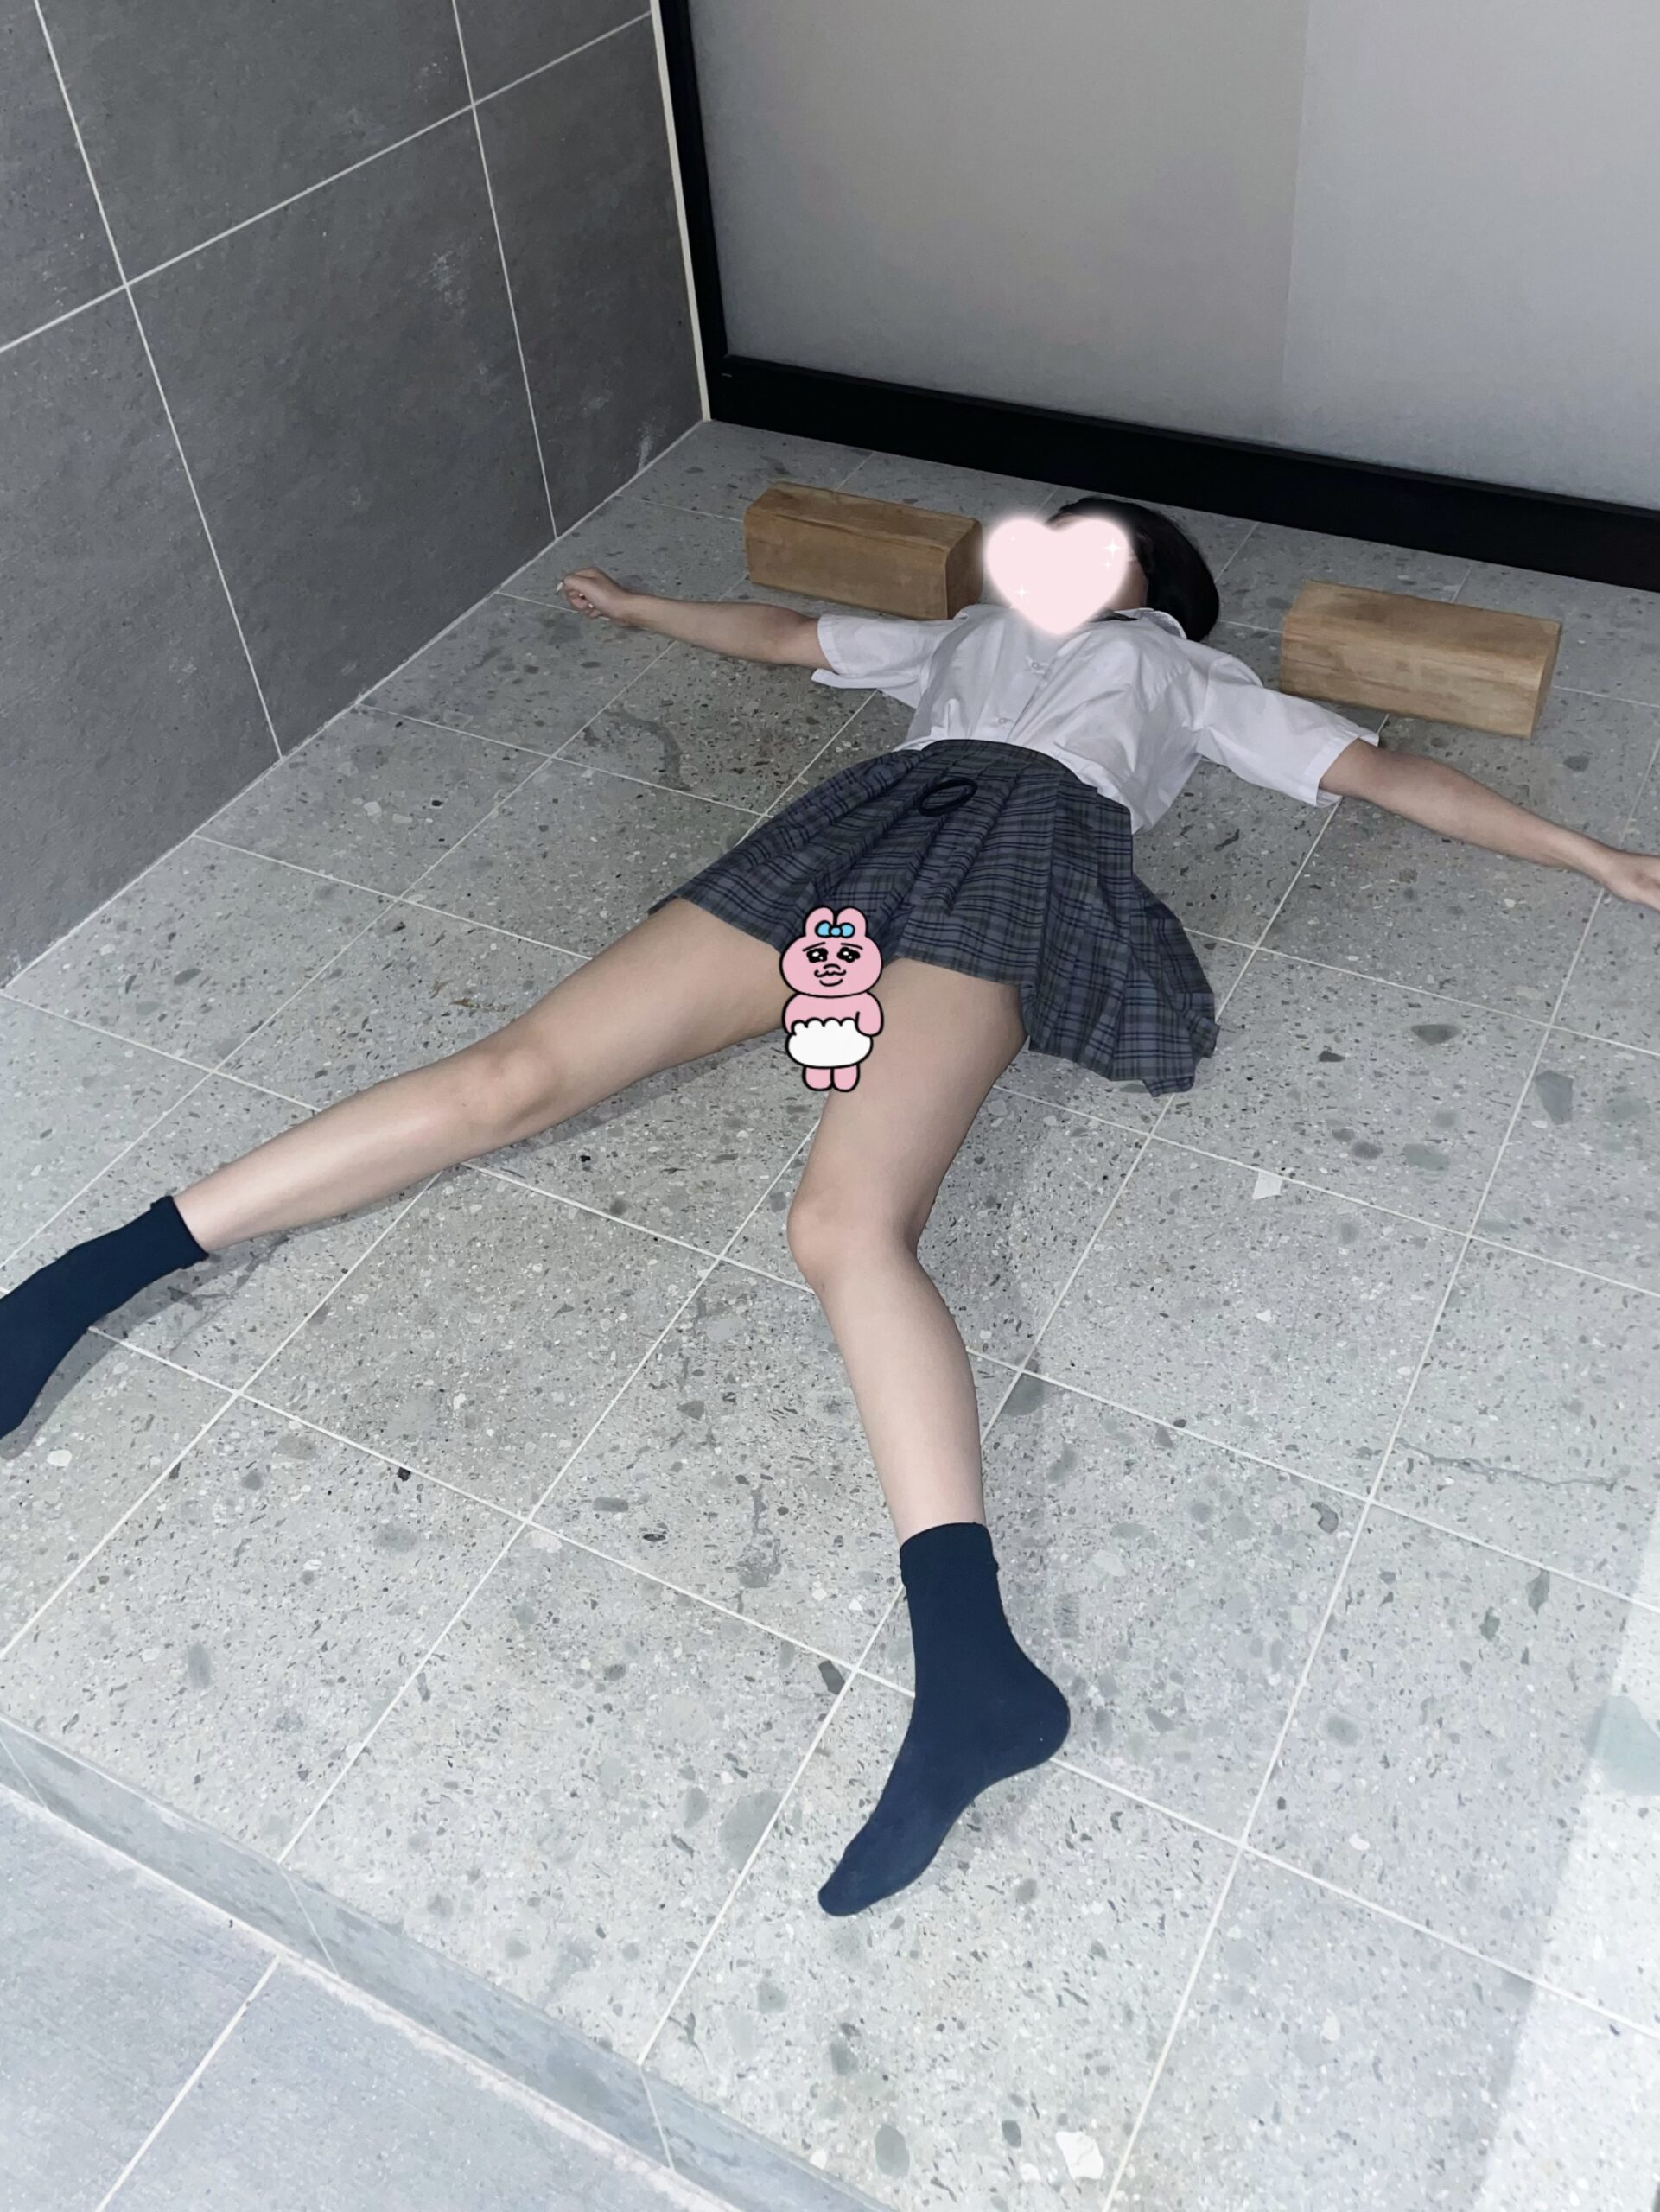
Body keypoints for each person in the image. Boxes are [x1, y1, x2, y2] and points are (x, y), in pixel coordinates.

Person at [3, 499, 1657, 1918]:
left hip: (1023, 859)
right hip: (850, 839)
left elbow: (1381, 772)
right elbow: (790, 638)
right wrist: (640, 605)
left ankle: (973, 1673)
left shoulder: (1184, 674)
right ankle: (80, 1280)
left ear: (1152, 584)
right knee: (512, 1073)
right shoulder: (961, 639)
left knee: (843, 1225)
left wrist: (1590, 857)